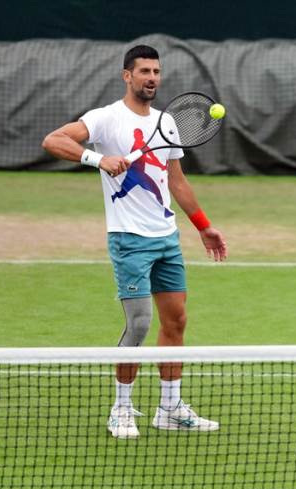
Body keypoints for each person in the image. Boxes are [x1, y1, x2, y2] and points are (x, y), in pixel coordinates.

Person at [42, 44, 227, 439]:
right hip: (129, 240)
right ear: (127, 75)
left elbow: (176, 180)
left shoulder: (168, 122)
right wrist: (98, 160)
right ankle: (121, 409)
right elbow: (53, 140)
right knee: (140, 324)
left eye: (156, 72)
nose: (152, 78)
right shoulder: (105, 118)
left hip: (167, 239)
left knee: (175, 322)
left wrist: (203, 225)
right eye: (144, 71)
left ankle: (170, 407)